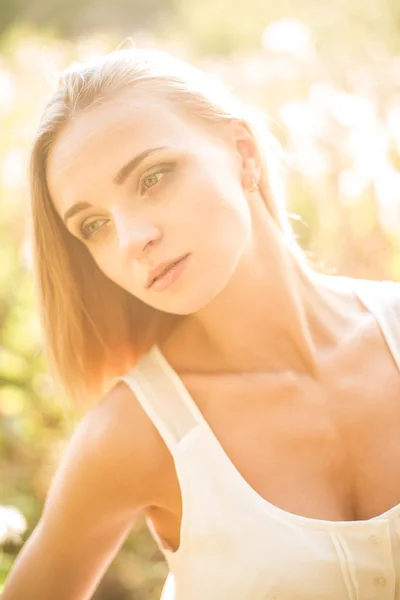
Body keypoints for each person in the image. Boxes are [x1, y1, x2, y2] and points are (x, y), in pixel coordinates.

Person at [2, 47, 400, 600]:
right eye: (93, 225)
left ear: (243, 154)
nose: (130, 238)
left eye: (152, 177)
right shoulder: (134, 435)